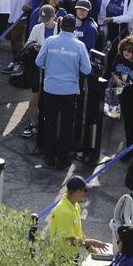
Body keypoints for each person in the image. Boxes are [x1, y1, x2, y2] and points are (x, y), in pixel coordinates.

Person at [36, 13, 91, 168]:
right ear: (74, 28)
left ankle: (48, 157)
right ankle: (62, 160)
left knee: (50, 123)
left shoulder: (50, 41)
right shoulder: (79, 45)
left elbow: (38, 61)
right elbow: (87, 70)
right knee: (66, 126)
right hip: (69, 91)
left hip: (50, 89)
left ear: (60, 26)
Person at [48, 175, 109, 254]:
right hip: (61, 257)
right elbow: (70, 240)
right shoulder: (63, 212)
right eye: (84, 190)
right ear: (77, 191)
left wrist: (89, 247)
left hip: (71, 254)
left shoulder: (75, 205)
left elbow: (77, 232)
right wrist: (92, 242)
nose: (85, 193)